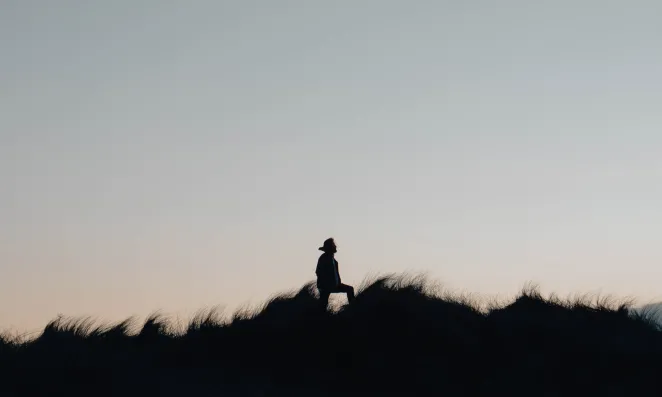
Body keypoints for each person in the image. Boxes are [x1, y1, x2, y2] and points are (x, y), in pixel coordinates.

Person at [316, 237, 355, 310]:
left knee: (350, 289)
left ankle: (353, 308)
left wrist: (337, 282)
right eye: (333, 245)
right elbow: (318, 271)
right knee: (323, 304)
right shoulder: (324, 258)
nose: (335, 246)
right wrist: (325, 283)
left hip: (335, 285)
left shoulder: (334, 260)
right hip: (325, 286)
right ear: (330, 248)